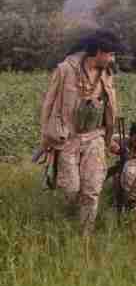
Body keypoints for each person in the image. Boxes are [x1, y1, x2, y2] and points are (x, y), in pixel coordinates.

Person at [40, 30, 123, 235]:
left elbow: (110, 108)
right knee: (70, 189)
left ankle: (84, 236)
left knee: (92, 189)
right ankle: (67, 221)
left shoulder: (107, 74)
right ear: (99, 52)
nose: (113, 59)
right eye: (111, 54)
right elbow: (48, 104)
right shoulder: (65, 70)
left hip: (95, 137)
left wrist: (108, 139)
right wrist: (46, 138)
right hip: (68, 137)